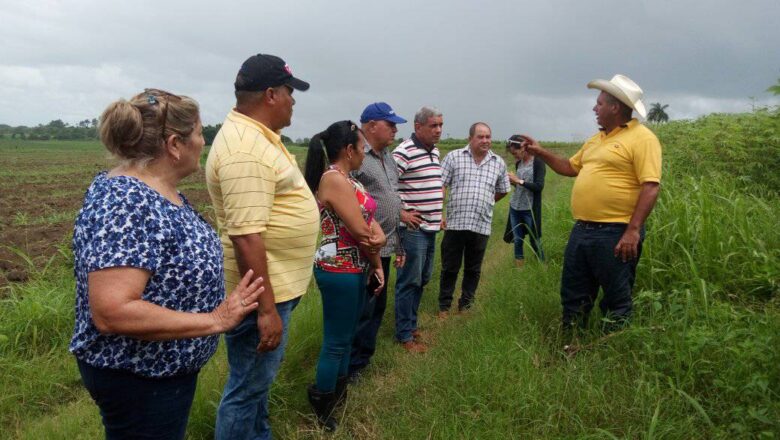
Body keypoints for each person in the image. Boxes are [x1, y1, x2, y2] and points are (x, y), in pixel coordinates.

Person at [70, 89, 266, 440]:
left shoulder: (156, 190)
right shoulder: (127, 201)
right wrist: (215, 320)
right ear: (175, 144)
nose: (203, 141)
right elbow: (113, 310)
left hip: (160, 376)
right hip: (140, 377)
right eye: (199, 132)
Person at [205, 53, 319, 440]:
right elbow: (246, 236)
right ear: (271, 94)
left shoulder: (258, 136)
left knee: (256, 388)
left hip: (274, 289)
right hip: (261, 297)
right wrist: (267, 310)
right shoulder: (243, 148)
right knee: (246, 390)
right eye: (290, 91)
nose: (294, 100)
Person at [519, 74, 662, 333]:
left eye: (599, 103)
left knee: (616, 298)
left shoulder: (643, 138)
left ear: (615, 107)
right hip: (582, 230)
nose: (594, 108)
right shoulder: (596, 140)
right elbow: (569, 167)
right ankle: (572, 342)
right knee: (574, 292)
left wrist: (632, 230)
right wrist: (540, 152)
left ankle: (611, 349)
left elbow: (651, 186)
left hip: (617, 231)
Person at [303, 120, 387, 430]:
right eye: (362, 148)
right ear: (349, 150)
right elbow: (360, 231)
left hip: (356, 267)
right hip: (339, 268)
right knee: (336, 341)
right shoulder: (334, 180)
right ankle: (322, 399)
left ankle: (336, 393)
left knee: (347, 336)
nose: (365, 154)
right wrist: (376, 251)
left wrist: (377, 248)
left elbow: (370, 222)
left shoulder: (353, 182)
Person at [349, 102, 420, 379]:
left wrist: (398, 243)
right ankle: (351, 366)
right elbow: (346, 199)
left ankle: (363, 359)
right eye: (390, 124)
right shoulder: (355, 155)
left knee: (376, 306)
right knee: (362, 307)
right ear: (370, 126)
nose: (395, 129)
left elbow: (393, 201)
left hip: (387, 246)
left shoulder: (387, 156)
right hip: (364, 248)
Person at [438, 122, 510, 315]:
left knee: (473, 268)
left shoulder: (498, 163)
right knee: (450, 267)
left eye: (488, 136)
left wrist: (487, 201)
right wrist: (438, 212)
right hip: (455, 223)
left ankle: (466, 305)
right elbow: (441, 185)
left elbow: (503, 190)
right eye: (480, 136)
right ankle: (444, 306)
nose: (485, 141)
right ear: (470, 138)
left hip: (481, 224)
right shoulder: (454, 157)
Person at [392, 106, 444, 353]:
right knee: (408, 281)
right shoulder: (404, 152)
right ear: (418, 126)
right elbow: (386, 186)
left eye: (440, 125)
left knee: (422, 279)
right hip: (413, 230)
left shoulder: (434, 151)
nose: (438, 130)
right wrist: (402, 213)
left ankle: (411, 325)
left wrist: (439, 214)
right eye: (433, 125)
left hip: (431, 227)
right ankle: (404, 335)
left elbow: (432, 185)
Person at [504, 134, 546, 266]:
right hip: (515, 207)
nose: (514, 156)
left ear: (523, 148)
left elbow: (539, 187)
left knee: (535, 239)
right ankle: (519, 269)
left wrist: (519, 180)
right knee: (517, 239)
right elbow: (520, 186)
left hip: (530, 209)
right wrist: (512, 181)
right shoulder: (519, 163)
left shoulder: (538, 162)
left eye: (515, 152)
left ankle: (542, 265)